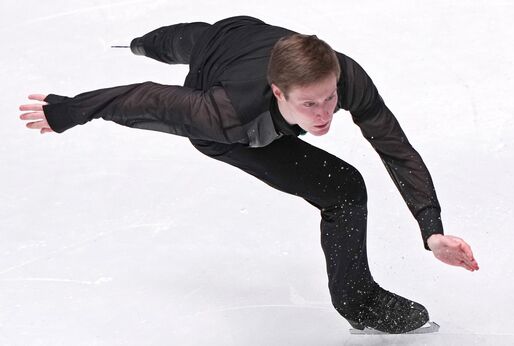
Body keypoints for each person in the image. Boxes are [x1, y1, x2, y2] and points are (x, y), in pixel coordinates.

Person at [19, 16, 479, 334]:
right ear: (279, 91)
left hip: (240, 34)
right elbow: (139, 99)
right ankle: (357, 303)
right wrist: (65, 111)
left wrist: (431, 229)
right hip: (231, 112)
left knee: (200, 39)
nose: (325, 114)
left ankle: (356, 296)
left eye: (329, 98)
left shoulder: (345, 77)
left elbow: (395, 147)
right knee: (177, 44)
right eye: (310, 104)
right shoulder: (221, 114)